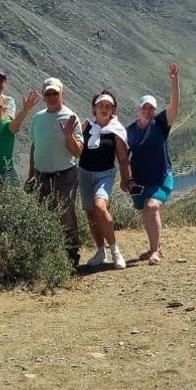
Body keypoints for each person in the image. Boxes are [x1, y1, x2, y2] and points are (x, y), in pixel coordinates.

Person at [126, 63, 181, 265]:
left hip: (161, 176)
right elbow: (124, 158)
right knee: (146, 213)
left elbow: (175, 107)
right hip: (140, 181)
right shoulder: (129, 131)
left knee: (152, 207)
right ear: (139, 109)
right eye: (145, 107)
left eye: (151, 108)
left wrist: (175, 81)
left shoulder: (160, 124)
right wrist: (128, 179)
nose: (148, 111)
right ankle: (154, 247)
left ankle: (155, 252)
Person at [27, 78, 84, 265]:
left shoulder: (70, 117)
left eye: (55, 93)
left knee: (66, 214)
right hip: (42, 175)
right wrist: (31, 174)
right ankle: (48, 255)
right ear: (44, 96)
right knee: (43, 214)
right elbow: (35, 146)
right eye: (48, 94)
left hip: (65, 174)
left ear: (62, 93)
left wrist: (69, 137)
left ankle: (71, 256)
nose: (51, 97)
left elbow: (78, 152)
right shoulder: (38, 118)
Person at [79, 90, 132, 270]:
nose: (104, 109)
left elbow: (123, 159)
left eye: (107, 106)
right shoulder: (87, 126)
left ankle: (115, 250)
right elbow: (77, 148)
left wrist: (127, 179)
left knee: (100, 207)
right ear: (95, 108)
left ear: (113, 110)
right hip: (85, 173)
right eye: (101, 106)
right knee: (90, 213)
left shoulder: (116, 131)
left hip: (105, 174)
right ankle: (100, 251)